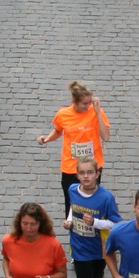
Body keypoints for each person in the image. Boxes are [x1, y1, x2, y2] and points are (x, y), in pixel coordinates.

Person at [36, 80, 111, 210]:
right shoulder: (63, 114)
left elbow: (105, 136)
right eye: (84, 103)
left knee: (92, 202)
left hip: (92, 166)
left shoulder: (96, 111)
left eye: (90, 102)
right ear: (74, 101)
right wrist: (47, 139)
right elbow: (58, 130)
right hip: (71, 167)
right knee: (72, 204)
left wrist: (98, 112)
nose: (88, 106)